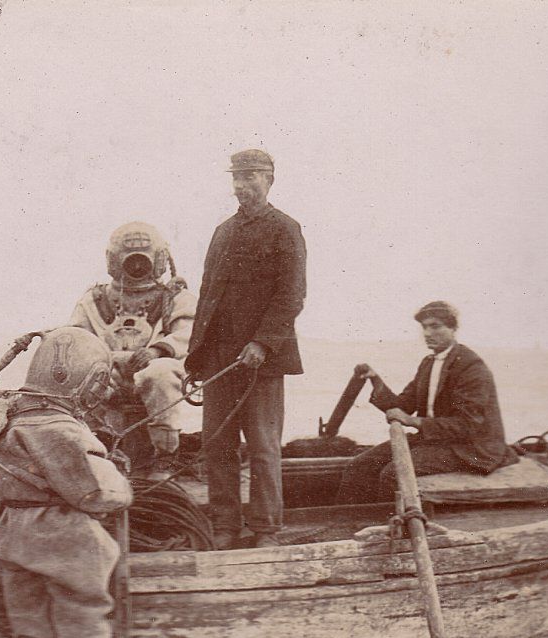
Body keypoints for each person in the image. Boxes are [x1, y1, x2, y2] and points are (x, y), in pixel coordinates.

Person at [0, 327, 133, 638]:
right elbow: (92, 494)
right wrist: (121, 486)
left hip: (13, 535)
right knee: (81, 612)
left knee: (29, 623)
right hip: (65, 537)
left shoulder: (5, 422)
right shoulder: (64, 431)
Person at [185, 149, 307, 550]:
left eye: (250, 177)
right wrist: (196, 358)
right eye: (236, 178)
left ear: (269, 178)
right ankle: (225, 526)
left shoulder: (286, 229)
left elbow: (291, 296)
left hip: (262, 363)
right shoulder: (222, 231)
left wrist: (262, 343)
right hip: (219, 359)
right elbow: (206, 299)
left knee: (263, 447)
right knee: (216, 444)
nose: (242, 186)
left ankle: (266, 530)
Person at [335, 301, 519, 505]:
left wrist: (414, 422)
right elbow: (402, 406)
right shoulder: (428, 363)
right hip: (436, 440)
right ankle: (347, 522)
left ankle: (392, 531)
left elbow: (466, 426)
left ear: (453, 328)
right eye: (424, 327)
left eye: (436, 326)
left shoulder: (472, 368)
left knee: (393, 474)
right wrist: (375, 379)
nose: (428, 333)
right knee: (360, 465)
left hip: (469, 449)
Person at [68, 222, 197, 479]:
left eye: (143, 260)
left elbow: (189, 334)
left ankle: (165, 457)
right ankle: (98, 448)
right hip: (109, 373)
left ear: (159, 259)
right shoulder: (94, 300)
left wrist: (157, 351)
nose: (137, 267)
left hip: (153, 370)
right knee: (78, 372)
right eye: (130, 260)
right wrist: (102, 361)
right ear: (114, 260)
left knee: (161, 373)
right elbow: (77, 338)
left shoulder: (174, 298)